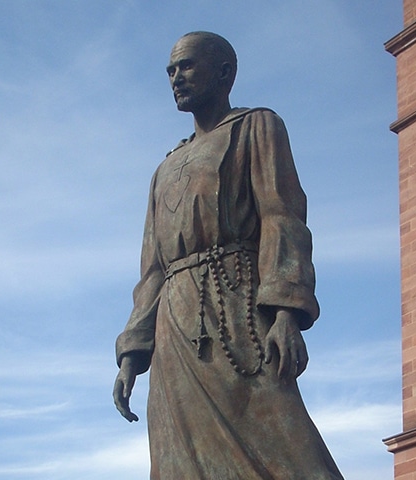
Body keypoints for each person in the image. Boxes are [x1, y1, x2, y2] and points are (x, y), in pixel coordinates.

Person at [113, 31, 343, 479]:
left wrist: (285, 314)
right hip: (174, 330)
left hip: (236, 308)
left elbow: (282, 215)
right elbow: (153, 270)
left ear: (224, 72)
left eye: (187, 66)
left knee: (287, 445)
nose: (176, 77)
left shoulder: (256, 126)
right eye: (171, 70)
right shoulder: (164, 168)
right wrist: (131, 354)